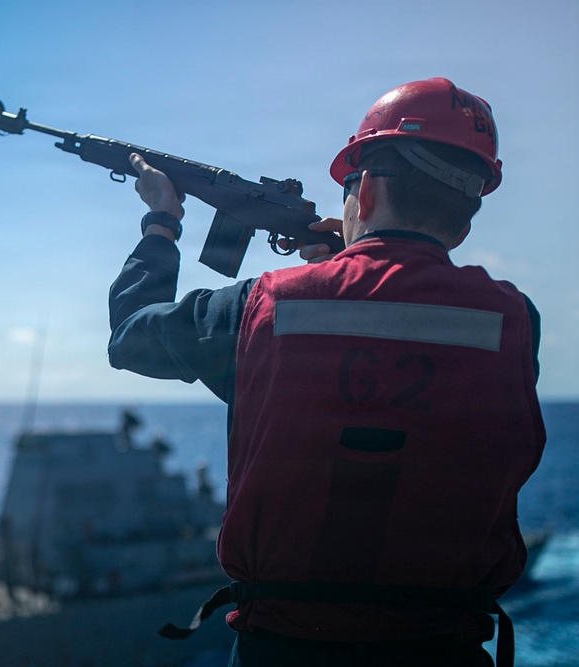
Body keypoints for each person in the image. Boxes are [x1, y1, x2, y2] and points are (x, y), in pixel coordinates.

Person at [107, 78, 546, 666]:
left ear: (362, 196)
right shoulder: (515, 320)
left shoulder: (260, 305)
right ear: (466, 214)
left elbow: (131, 334)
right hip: (446, 650)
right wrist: (358, 263)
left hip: (282, 650)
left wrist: (162, 221)